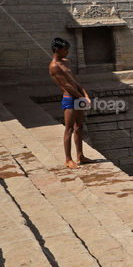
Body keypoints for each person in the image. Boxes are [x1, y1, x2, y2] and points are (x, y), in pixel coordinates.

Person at [48, 37, 92, 169]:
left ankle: (80, 156)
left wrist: (85, 94)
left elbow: (74, 81)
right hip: (70, 99)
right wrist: (81, 97)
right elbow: (67, 86)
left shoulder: (65, 62)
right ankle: (68, 159)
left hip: (78, 97)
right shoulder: (54, 66)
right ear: (57, 49)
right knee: (69, 129)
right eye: (65, 49)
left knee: (79, 126)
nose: (67, 52)